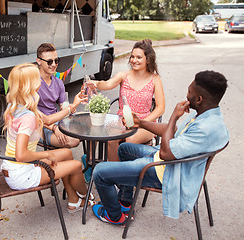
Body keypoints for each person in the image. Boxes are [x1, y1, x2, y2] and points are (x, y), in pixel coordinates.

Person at [92, 70, 229, 225]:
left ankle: (114, 216)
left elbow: (165, 153)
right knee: (124, 149)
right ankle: (125, 201)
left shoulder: (205, 129)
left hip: (167, 171)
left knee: (100, 172)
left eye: (190, 91)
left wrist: (173, 117)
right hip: (168, 160)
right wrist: (141, 122)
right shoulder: (207, 114)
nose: (187, 94)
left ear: (199, 99)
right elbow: (175, 133)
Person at [2, 63, 94, 213]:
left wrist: (73, 105)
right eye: (37, 79)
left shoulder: (16, 104)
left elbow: (48, 120)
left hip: (12, 166)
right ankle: (85, 196)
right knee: (76, 165)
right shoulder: (28, 117)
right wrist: (46, 154)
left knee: (66, 153)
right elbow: (21, 155)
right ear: (30, 85)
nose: (40, 82)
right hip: (22, 173)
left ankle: (73, 200)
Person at [86, 39, 165, 161]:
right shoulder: (124, 75)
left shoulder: (155, 79)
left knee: (130, 140)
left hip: (145, 123)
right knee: (110, 139)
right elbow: (106, 84)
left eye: (139, 57)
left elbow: (160, 108)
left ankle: (128, 173)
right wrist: (95, 83)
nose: (134, 60)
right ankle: (114, 174)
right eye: (132, 57)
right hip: (121, 121)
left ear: (147, 59)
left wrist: (141, 122)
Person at [36, 43, 80, 148]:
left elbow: (63, 106)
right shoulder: (33, 83)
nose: (54, 64)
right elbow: (35, 117)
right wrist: (54, 128)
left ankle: (90, 160)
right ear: (39, 61)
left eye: (56, 60)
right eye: (49, 61)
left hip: (58, 121)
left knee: (92, 126)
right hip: (40, 126)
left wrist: (71, 106)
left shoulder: (58, 82)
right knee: (73, 141)